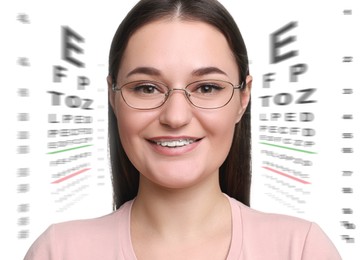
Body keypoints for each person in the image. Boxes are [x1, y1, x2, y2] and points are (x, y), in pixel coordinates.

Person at [24, 0, 342, 259]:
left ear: (243, 98)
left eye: (206, 88)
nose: (175, 117)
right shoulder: (58, 250)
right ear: (113, 96)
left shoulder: (301, 249)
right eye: (147, 88)